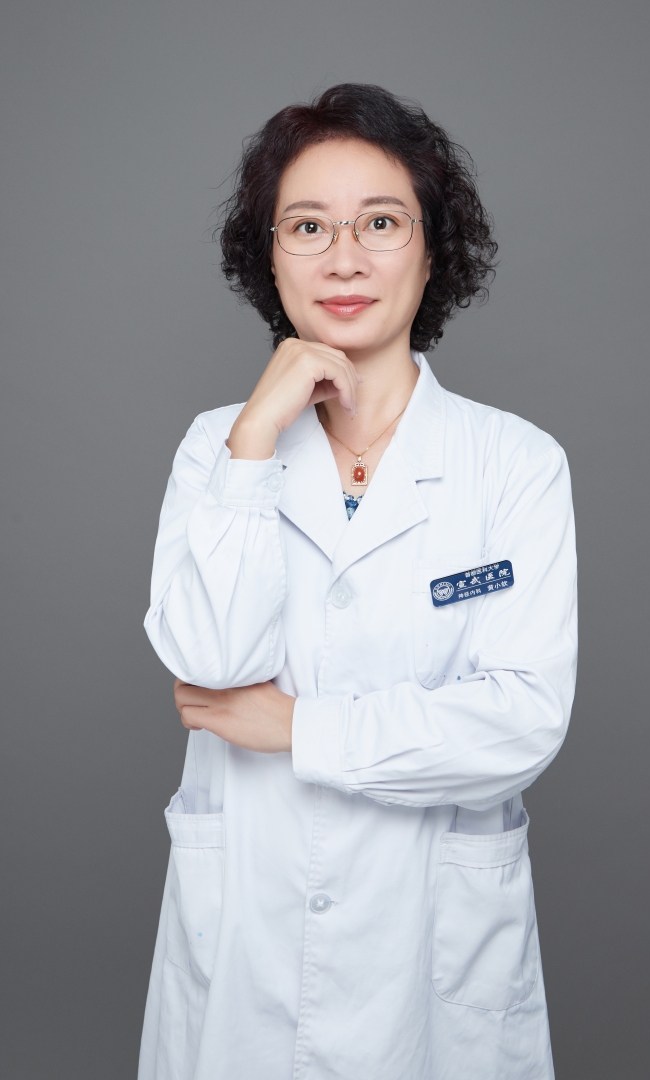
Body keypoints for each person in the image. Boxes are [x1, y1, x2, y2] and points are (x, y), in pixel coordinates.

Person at [138, 84, 577, 1080]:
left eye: (381, 222)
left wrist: (298, 728)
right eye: (308, 227)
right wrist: (257, 437)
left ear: (433, 248)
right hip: (246, 941)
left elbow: (519, 723)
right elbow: (210, 662)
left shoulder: (516, 463)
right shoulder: (217, 447)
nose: (344, 258)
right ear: (270, 256)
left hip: (428, 951)